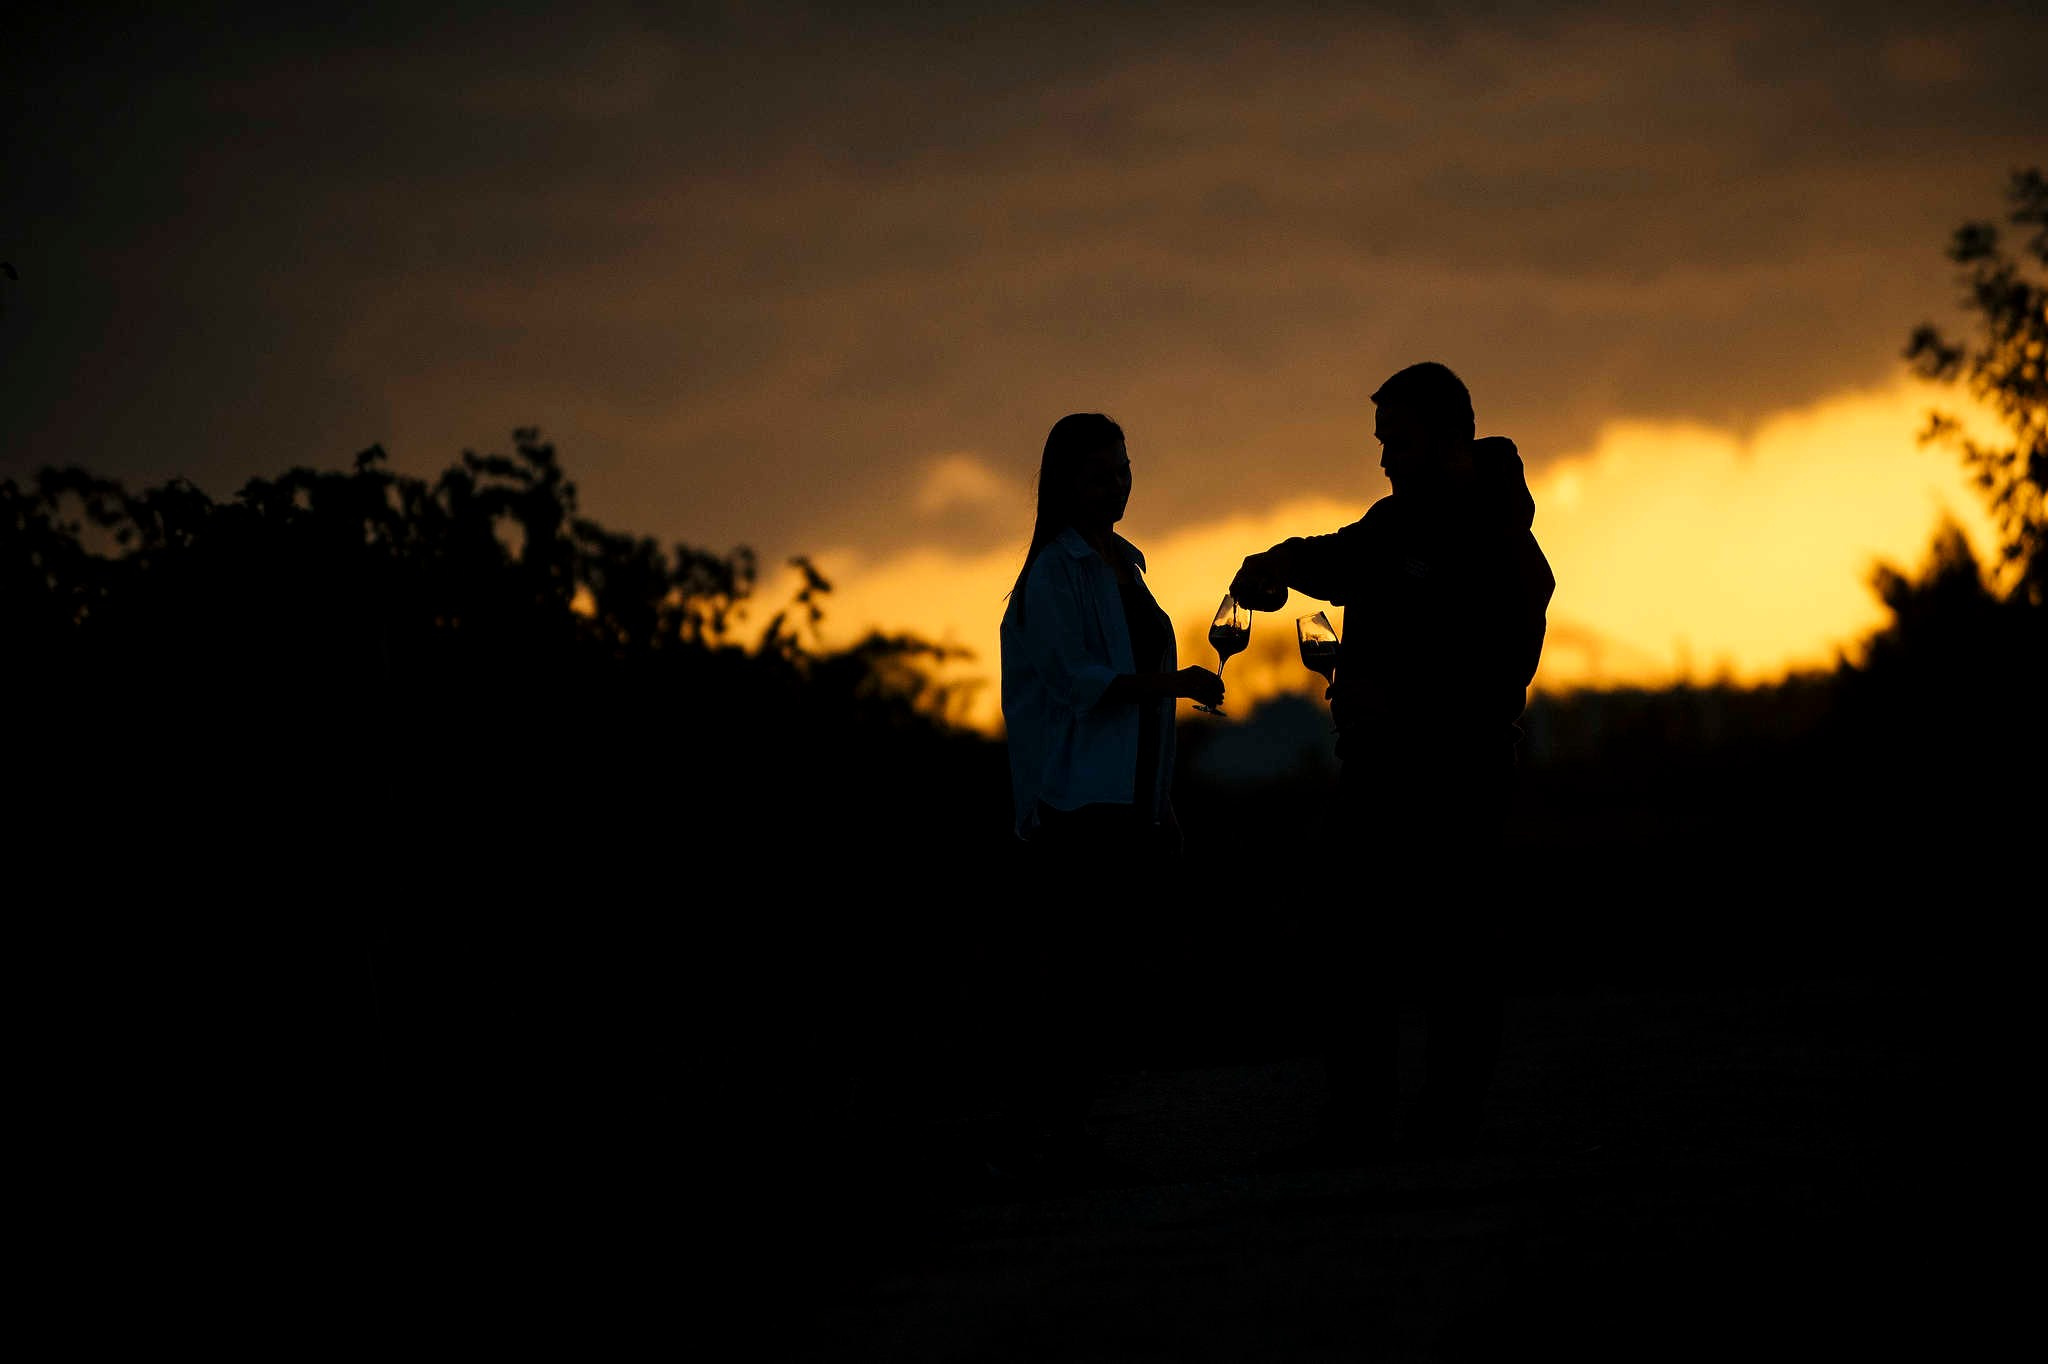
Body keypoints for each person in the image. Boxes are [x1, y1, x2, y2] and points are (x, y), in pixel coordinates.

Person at [1231, 362, 1555, 1160]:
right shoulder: (1396, 520)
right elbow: (1341, 557)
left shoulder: (1500, 539)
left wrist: (1397, 698)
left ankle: (1443, 1122)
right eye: (1381, 444)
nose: (1383, 459)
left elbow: (1501, 669)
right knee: (1348, 937)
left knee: (1457, 951)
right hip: (1376, 768)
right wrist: (1275, 564)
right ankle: (1359, 1117)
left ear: (1450, 439)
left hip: (1457, 774)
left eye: (1397, 443)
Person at [980, 411, 1223, 1188]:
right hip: (1080, 807)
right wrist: (1175, 685)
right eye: (1098, 473)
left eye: (1122, 468)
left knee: (1106, 978)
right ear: (1064, 484)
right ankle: (1044, 1137)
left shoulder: (1125, 564)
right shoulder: (1055, 572)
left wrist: (1162, 801)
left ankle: (1050, 1133)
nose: (1115, 483)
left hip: (1128, 804)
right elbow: (1079, 685)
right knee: (1080, 978)